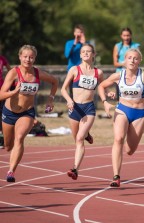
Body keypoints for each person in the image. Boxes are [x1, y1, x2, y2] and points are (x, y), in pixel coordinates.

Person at [98, 48, 144, 187]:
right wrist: (105, 102)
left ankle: (124, 149)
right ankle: (116, 176)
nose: (132, 60)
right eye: (129, 58)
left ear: (140, 61)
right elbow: (101, 86)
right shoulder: (118, 75)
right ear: (124, 60)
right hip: (122, 109)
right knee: (118, 138)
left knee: (130, 150)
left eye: (135, 58)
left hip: (139, 113)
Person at [0, 45, 58, 182]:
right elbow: (1, 94)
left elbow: (55, 82)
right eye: (25, 56)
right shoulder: (14, 73)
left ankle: (11, 172)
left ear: (35, 58)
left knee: (19, 138)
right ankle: (12, 152)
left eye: (31, 57)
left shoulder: (38, 73)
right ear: (20, 57)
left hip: (27, 112)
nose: (28, 59)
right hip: (9, 112)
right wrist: (13, 92)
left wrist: (50, 101)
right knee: (9, 145)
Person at [61, 43, 106, 180]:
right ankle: (86, 133)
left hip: (88, 108)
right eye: (83, 52)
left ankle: (75, 169)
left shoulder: (98, 73)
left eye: (89, 51)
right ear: (80, 55)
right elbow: (63, 89)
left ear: (93, 55)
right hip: (75, 108)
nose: (86, 53)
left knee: (80, 139)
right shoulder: (74, 70)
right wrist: (69, 100)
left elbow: (102, 87)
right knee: (77, 140)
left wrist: (108, 94)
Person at [64, 24, 87, 98]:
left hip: (84, 71)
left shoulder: (86, 44)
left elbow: (90, 55)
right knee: (72, 91)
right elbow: (67, 55)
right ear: (74, 33)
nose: (78, 34)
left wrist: (84, 43)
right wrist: (74, 44)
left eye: (80, 32)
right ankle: (72, 108)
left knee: (84, 91)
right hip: (72, 70)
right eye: (77, 32)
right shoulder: (69, 43)